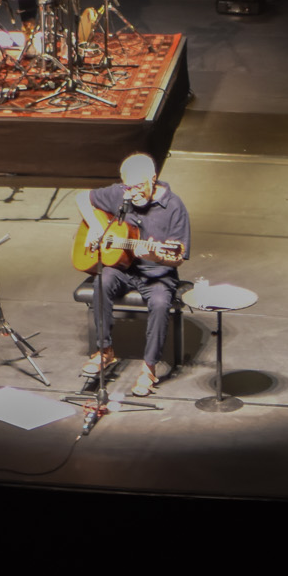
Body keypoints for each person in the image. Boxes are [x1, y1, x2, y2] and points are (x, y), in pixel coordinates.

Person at [76, 153, 190, 398]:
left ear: (153, 178)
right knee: (102, 281)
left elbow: (178, 256)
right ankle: (105, 350)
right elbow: (81, 197)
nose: (133, 193)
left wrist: (154, 256)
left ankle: (148, 368)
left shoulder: (174, 206)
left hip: (157, 273)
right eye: (129, 187)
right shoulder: (121, 193)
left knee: (160, 303)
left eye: (139, 186)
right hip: (122, 267)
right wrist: (96, 227)